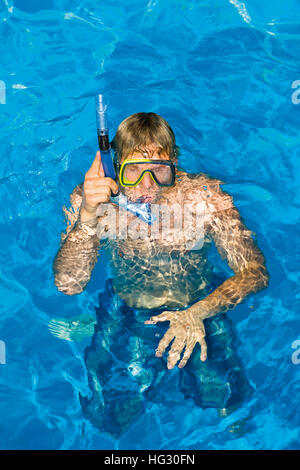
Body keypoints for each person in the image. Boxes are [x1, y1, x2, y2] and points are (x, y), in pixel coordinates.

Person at [53, 112, 269, 436]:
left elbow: (255, 272)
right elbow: (68, 283)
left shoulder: (204, 198)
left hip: (199, 307)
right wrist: (86, 217)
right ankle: (97, 325)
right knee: (111, 418)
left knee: (230, 408)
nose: (147, 186)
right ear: (114, 167)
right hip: (127, 310)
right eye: (133, 171)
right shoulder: (94, 201)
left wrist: (197, 313)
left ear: (175, 163)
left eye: (160, 170)